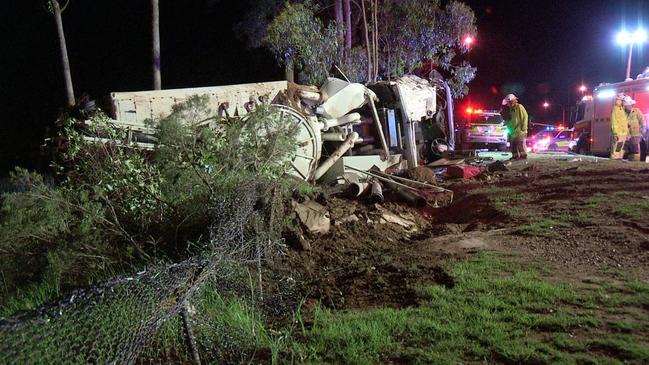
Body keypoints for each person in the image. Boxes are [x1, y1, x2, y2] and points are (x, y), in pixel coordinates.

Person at [500, 94, 528, 160]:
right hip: (513, 131)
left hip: (520, 130)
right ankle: (515, 156)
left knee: (519, 143)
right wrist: (507, 125)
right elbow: (512, 120)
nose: (507, 104)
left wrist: (524, 127)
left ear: (512, 101)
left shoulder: (519, 107)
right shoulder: (511, 110)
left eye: (508, 103)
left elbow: (525, 116)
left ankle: (523, 156)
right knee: (513, 145)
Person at [623, 96, 644, 161]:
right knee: (629, 151)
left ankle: (635, 163)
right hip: (627, 136)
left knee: (635, 151)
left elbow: (642, 122)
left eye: (626, 105)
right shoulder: (623, 113)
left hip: (636, 135)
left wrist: (641, 133)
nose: (625, 107)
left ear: (630, 105)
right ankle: (631, 164)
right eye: (625, 106)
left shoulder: (637, 111)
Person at [610, 93, 628, 159]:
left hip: (622, 132)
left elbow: (624, 122)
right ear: (620, 100)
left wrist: (626, 131)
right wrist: (615, 132)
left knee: (620, 147)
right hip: (618, 132)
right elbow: (614, 121)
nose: (624, 102)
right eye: (623, 101)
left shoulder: (621, 109)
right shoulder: (615, 109)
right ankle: (614, 158)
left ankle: (618, 158)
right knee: (616, 147)